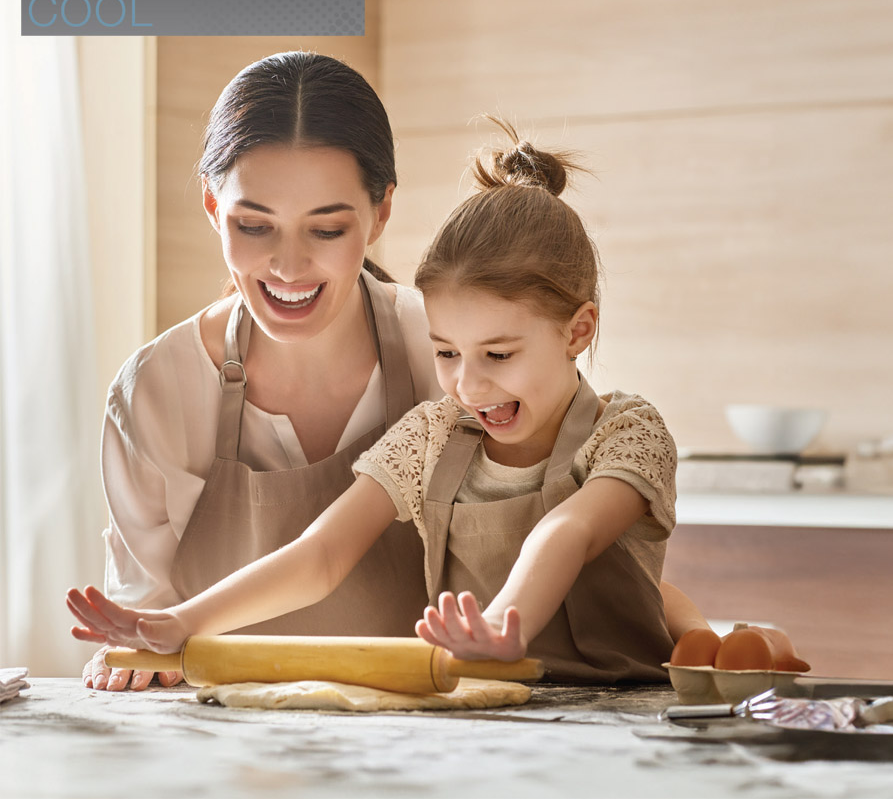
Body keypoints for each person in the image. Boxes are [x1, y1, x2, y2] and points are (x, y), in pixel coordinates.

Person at [70, 121, 717, 682]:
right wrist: (182, 619)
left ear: (577, 330)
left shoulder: (628, 431)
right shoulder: (434, 434)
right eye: (445, 352)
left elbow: (567, 531)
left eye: (498, 355)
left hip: (626, 715)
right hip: (479, 710)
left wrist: (500, 628)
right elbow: (321, 551)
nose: (468, 385)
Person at [83, 51, 442, 692]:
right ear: (212, 206)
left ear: (381, 213)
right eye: (255, 225)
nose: (288, 266)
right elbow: (147, 627)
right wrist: (130, 659)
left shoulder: (443, 352)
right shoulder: (158, 392)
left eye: (327, 230)